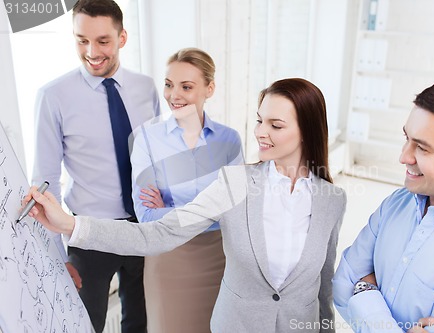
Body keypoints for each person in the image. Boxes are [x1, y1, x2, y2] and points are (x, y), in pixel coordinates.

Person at [26, 78, 346, 333]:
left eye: (276, 126)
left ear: (307, 130)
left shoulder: (332, 201)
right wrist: (70, 225)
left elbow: (323, 286)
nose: (260, 133)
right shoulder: (234, 183)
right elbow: (157, 235)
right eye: (260, 121)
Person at [332, 77, 434, 333]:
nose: (404, 157)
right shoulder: (397, 203)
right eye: (406, 138)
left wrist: (364, 293)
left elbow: (353, 289)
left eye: (422, 148)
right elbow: (342, 287)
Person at [31, 0, 160, 332]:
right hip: (88, 237)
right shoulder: (53, 96)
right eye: (81, 40)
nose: (91, 51)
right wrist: (57, 256)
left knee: (142, 324)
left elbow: (158, 158)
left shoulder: (146, 88)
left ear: (122, 38)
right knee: (84, 326)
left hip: (143, 230)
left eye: (103, 41)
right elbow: (45, 181)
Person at [131, 47, 243, 332]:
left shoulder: (229, 140)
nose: (174, 95)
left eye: (186, 86)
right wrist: (211, 209)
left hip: (220, 259)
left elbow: (237, 208)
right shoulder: (147, 139)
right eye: (168, 85)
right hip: (167, 257)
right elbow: (145, 215)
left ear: (209, 88)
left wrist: (168, 210)